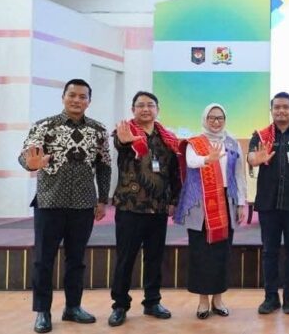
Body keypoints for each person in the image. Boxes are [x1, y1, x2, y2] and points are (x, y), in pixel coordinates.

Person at [19, 79, 111, 334]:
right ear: (63, 97)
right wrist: (31, 164)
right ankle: (42, 311)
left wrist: (102, 199)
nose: (77, 100)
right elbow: (25, 156)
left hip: (83, 205)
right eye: (72, 95)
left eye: (82, 97)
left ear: (89, 101)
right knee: (43, 260)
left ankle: (73, 307)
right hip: (49, 202)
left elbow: (104, 166)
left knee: (76, 260)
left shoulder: (98, 130)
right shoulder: (44, 126)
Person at [108, 91, 182, 327]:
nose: (145, 109)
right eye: (140, 105)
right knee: (125, 258)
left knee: (154, 258)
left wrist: (174, 200)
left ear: (157, 109)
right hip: (130, 207)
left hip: (158, 209)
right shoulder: (125, 131)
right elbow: (120, 144)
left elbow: (174, 172)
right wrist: (125, 141)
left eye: (150, 105)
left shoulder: (168, 139)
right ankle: (120, 305)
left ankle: (152, 301)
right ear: (133, 110)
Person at [175, 104, 246, 319]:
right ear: (204, 119)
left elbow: (239, 174)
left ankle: (218, 299)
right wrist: (208, 159)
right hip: (201, 204)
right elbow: (191, 162)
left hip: (225, 200)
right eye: (212, 117)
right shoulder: (195, 142)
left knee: (222, 252)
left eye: (220, 118)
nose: (216, 121)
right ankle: (203, 301)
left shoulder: (232, 143)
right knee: (201, 253)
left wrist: (241, 203)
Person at [249, 92, 289, 315]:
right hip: (268, 204)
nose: (281, 111)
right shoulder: (261, 135)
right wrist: (255, 159)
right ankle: (270, 298)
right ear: (271, 110)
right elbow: (251, 157)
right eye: (277, 107)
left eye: (285, 107)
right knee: (270, 251)